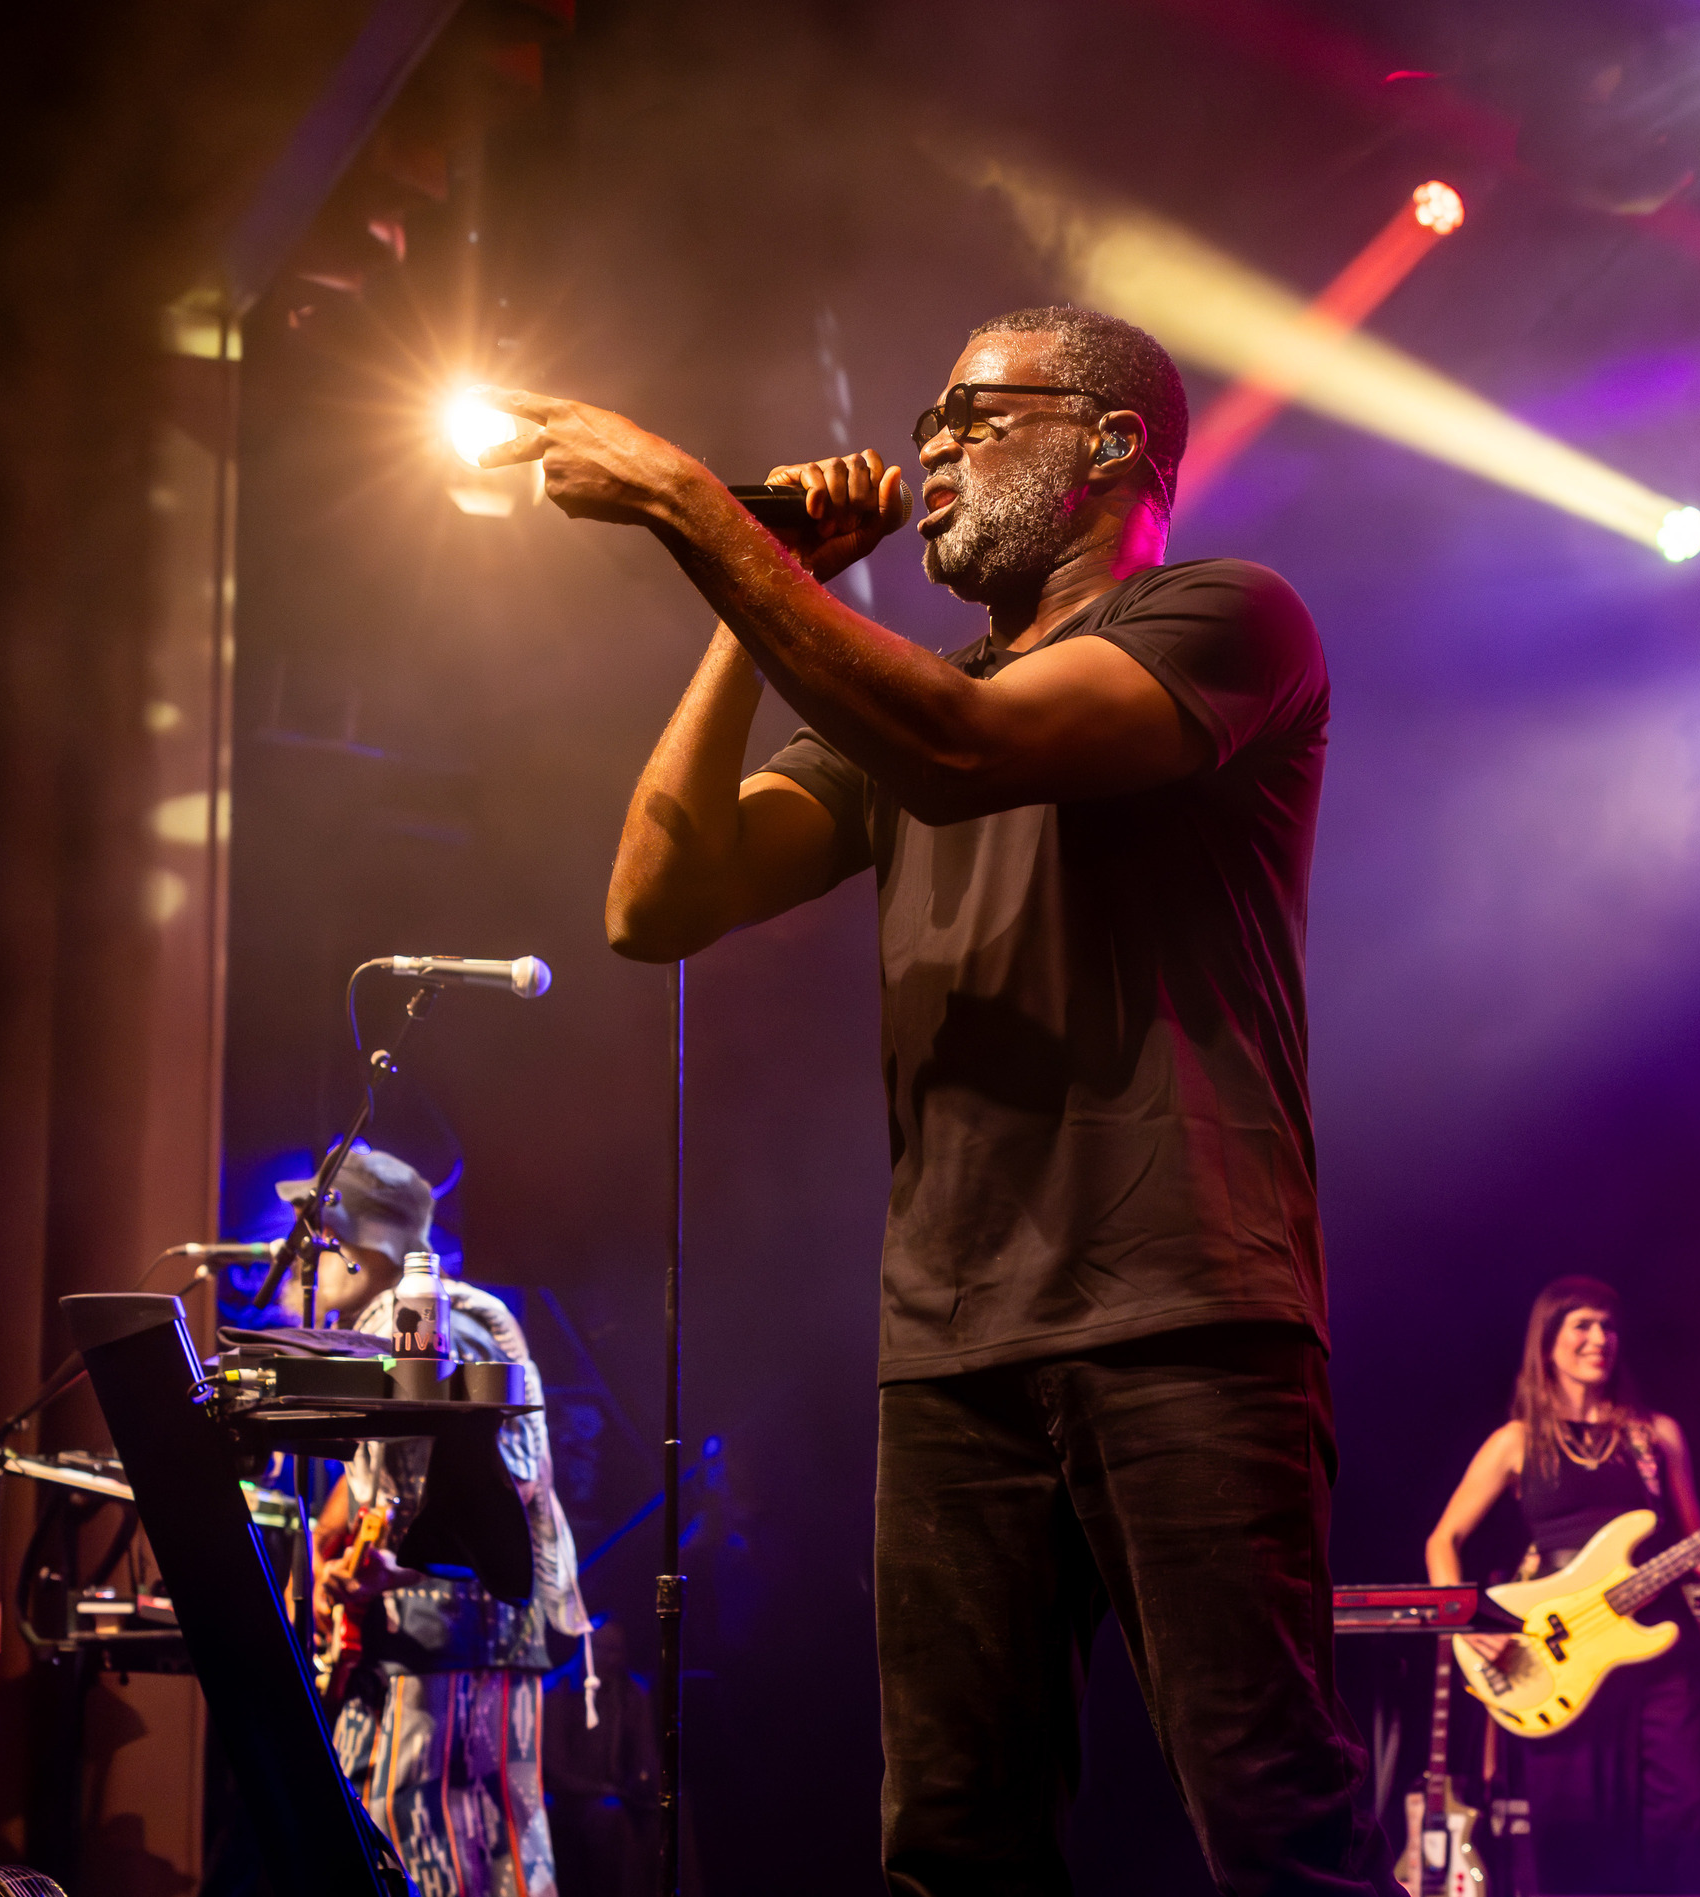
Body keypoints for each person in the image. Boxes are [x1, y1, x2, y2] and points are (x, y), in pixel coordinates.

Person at [479, 307, 1389, 1895]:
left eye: (979, 411)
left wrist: (688, 501)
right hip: (955, 1344)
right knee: (953, 1852)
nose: (937, 446)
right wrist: (764, 583)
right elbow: (657, 900)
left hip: (1183, 1311)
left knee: (1273, 1830)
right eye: (930, 419)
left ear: (1111, 442)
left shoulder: (1229, 618)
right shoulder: (904, 706)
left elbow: (968, 750)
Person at [286, 1146, 592, 1897]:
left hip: (454, 1644)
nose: (300, 1254)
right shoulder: (386, 1324)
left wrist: (401, 1568)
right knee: (448, 1857)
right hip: (429, 1645)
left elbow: (509, 1481)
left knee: (435, 1857)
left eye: (317, 1237)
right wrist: (331, 1548)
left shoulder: (433, 1317)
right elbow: (388, 1474)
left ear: (362, 1245)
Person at [1422, 1275, 1700, 1894]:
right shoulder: (1516, 1441)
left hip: (1660, 1655)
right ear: (1548, 1342)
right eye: (1582, 1325)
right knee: (1579, 1841)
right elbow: (1443, 1540)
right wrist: (1466, 1623)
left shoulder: (1656, 1436)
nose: (1600, 1338)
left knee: (1686, 1824)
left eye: (1608, 1326)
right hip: (1562, 1656)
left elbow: (1699, 1554)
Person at [542, 1617, 654, 1897]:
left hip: (618, 1793)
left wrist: (646, 1783)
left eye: (617, 1650)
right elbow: (554, 1769)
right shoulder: (557, 1691)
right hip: (571, 1798)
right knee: (610, 1814)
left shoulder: (632, 1691)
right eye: (603, 1648)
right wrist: (601, 1789)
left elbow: (646, 1755)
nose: (611, 1658)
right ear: (585, 1647)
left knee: (674, 1808)